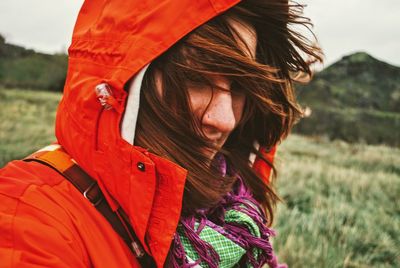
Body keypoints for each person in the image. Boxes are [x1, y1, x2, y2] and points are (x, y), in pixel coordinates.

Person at [0, 0, 322, 267]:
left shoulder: (236, 218)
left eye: (238, 86)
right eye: (197, 78)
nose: (224, 120)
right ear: (131, 81)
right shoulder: (29, 217)